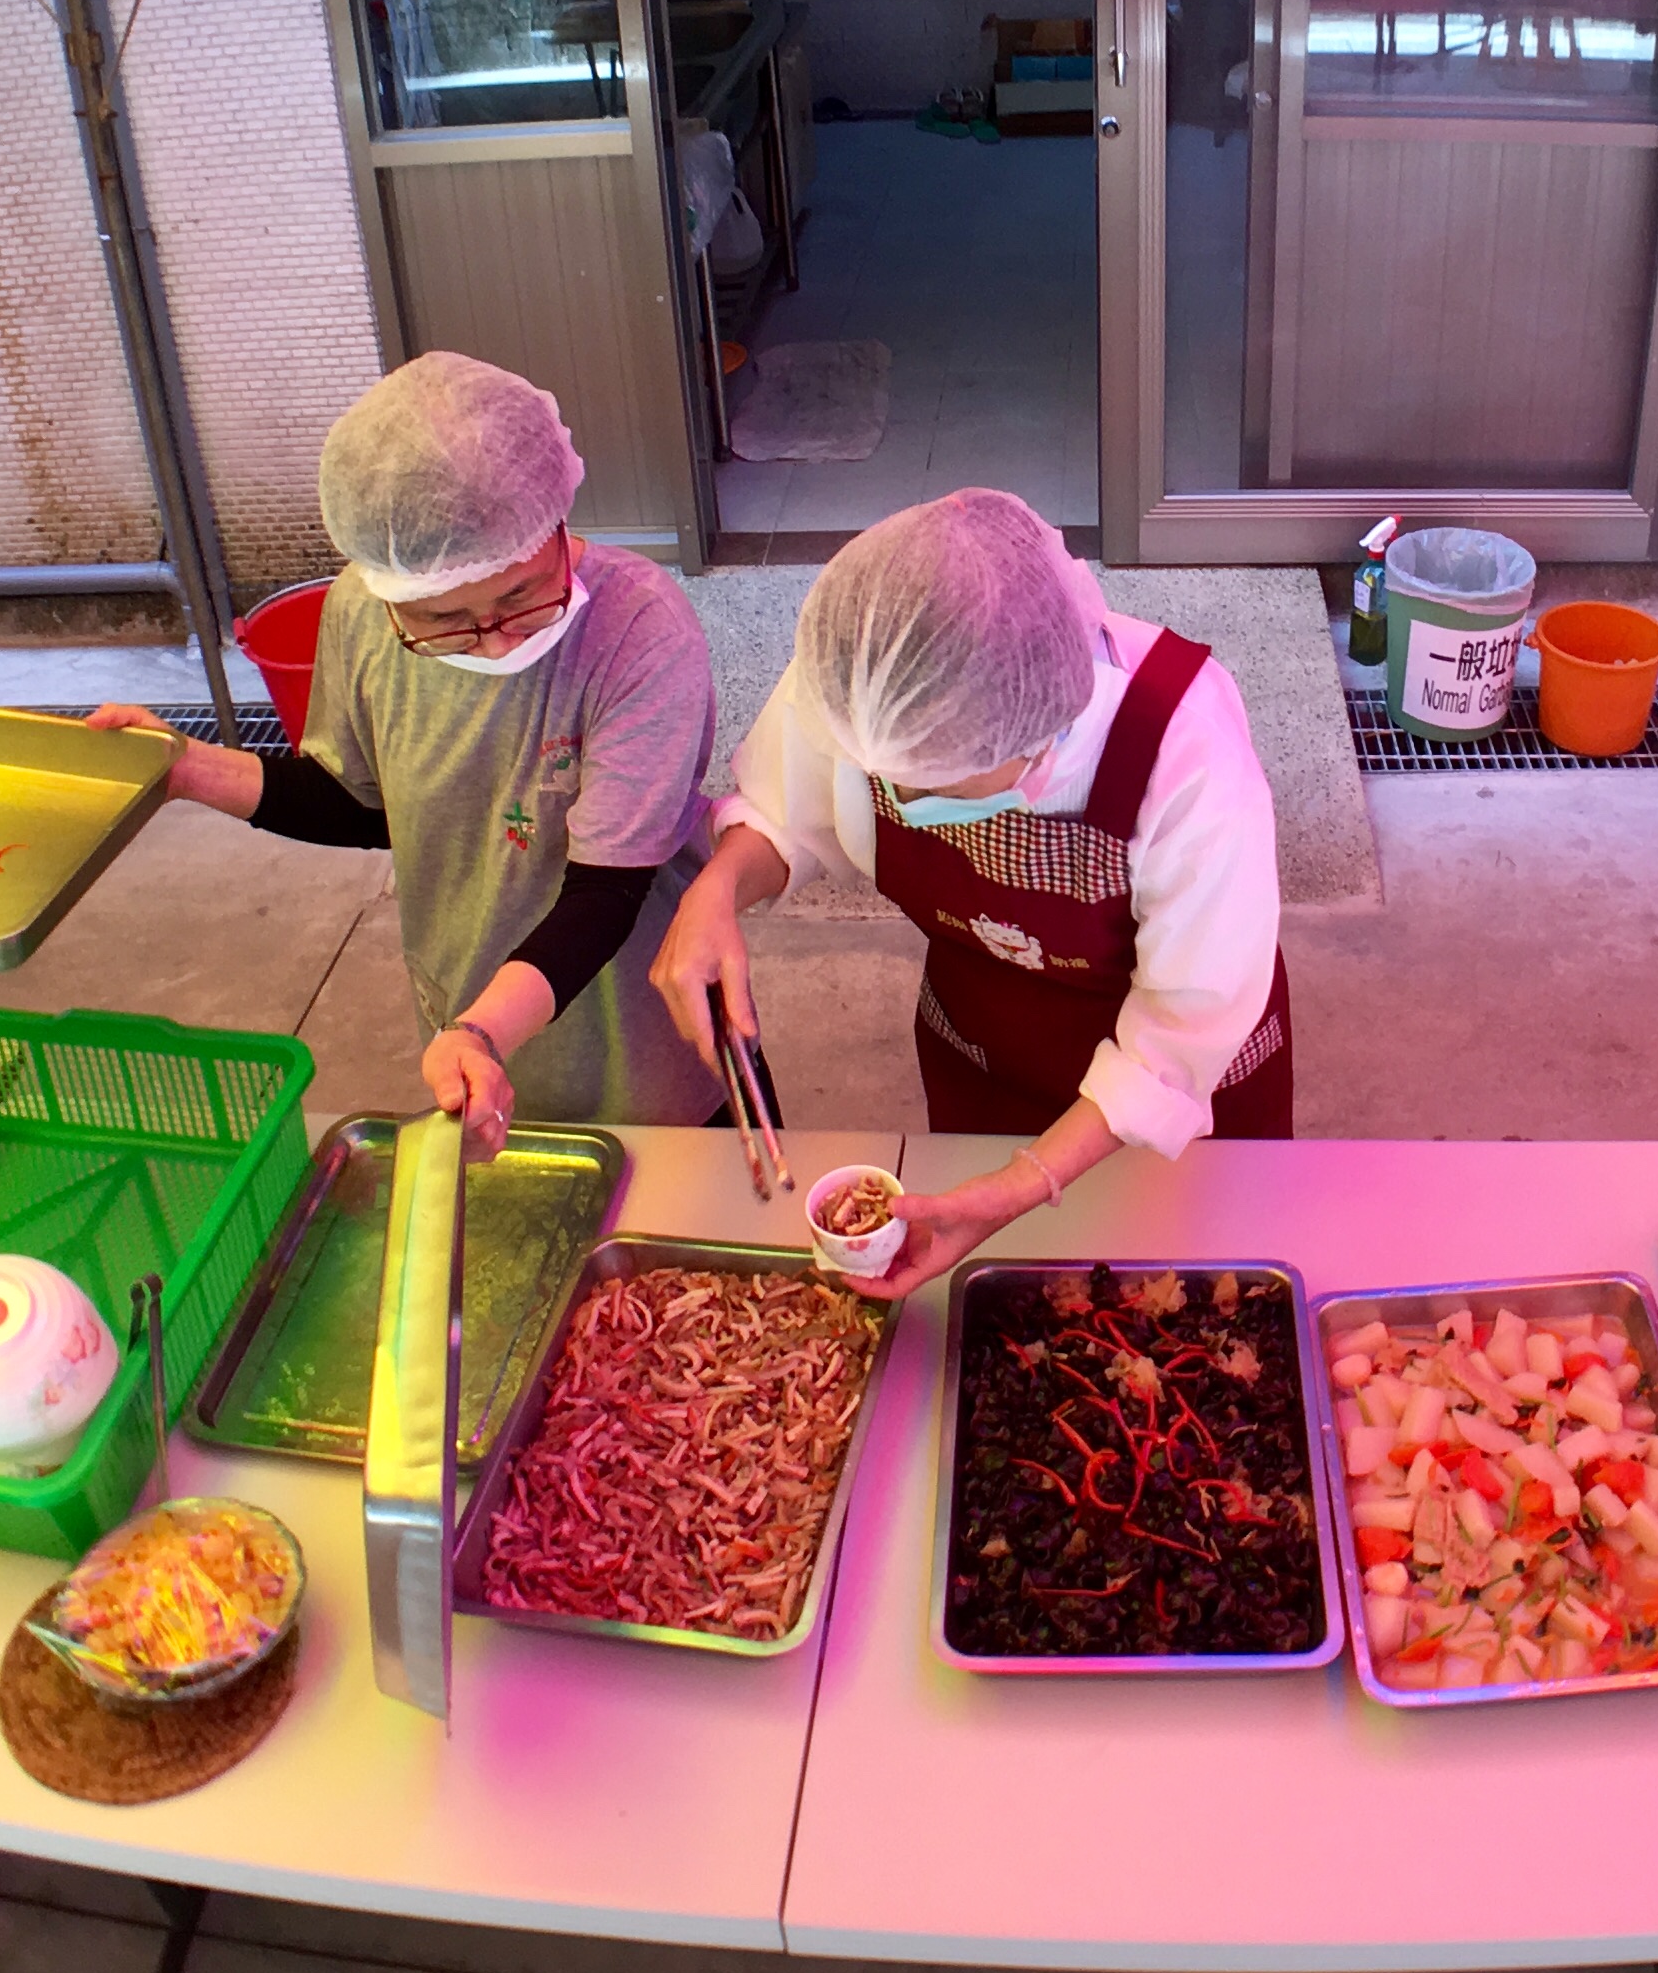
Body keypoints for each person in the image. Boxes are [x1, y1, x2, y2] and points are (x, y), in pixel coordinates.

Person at [651, 488, 1289, 1295]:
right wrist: (717, 887)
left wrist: (1029, 1180)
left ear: (1039, 733)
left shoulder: (1185, 749)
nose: (903, 803)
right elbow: (789, 812)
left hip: (1178, 1090)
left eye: (937, 788)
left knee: (1177, 1297)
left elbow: (1175, 1039)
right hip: (983, 1052)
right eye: (888, 780)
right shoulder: (872, 670)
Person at [91, 355, 720, 1149]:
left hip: (640, 1037)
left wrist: (482, 1031)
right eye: (445, 620)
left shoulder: (637, 629)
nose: (494, 641)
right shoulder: (362, 612)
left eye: (521, 596)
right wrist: (188, 768)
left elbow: (607, 893)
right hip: (468, 1015)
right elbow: (362, 801)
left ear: (556, 524)